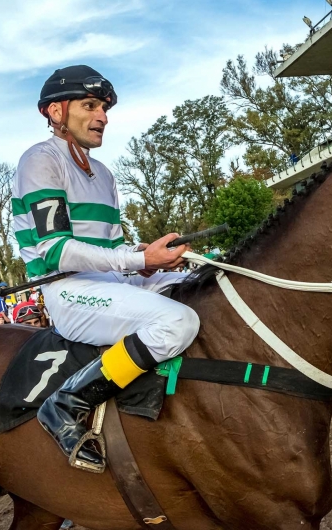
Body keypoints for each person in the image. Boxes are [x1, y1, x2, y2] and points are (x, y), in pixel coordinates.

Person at [16, 65, 200, 471]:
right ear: (55, 112)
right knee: (178, 323)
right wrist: (138, 261)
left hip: (112, 283)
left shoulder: (104, 174)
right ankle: (66, 403)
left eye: (104, 107)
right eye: (90, 105)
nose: (102, 116)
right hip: (68, 290)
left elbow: (113, 249)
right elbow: (59, 250)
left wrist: (149, 260)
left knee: (201, 285)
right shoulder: (39, 161)